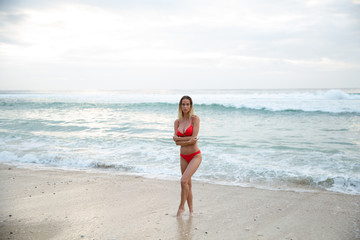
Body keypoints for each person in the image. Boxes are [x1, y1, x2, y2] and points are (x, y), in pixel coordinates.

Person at [173, 95, 202, 217]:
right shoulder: (177, 122)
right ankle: (191, 212)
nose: (185, 107)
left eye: (187, 104)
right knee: (188, 184)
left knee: (183, 180)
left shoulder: (195, 119)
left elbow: (194, 140)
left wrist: (180, 140)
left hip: (195, 156)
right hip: (183, 156)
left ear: (191, 106)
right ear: (180, 106)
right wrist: (186, 140)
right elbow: (175, 141)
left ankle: (181, 207)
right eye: (183, 104)